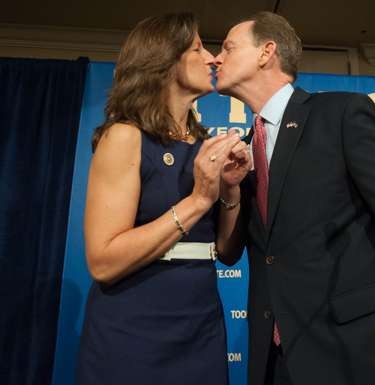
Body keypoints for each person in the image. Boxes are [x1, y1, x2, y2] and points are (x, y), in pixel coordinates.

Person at [213, 11, 375, 385]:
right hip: (276, 359)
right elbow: (233, 252)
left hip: (355, 351)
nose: (216, 58)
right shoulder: (242, 151)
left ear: (266, 52)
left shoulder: (341, 114)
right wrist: (228, 190)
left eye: (227, 47)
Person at [77, 12, 250, 385]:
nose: (213, 58)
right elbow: (103, 262)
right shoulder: (125, 136)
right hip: (134, 330)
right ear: (164, 60)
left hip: (201, 327)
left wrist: (231, 190)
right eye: (198, 48)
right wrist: (199, 200)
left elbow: (227, 252)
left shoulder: (206, 146)